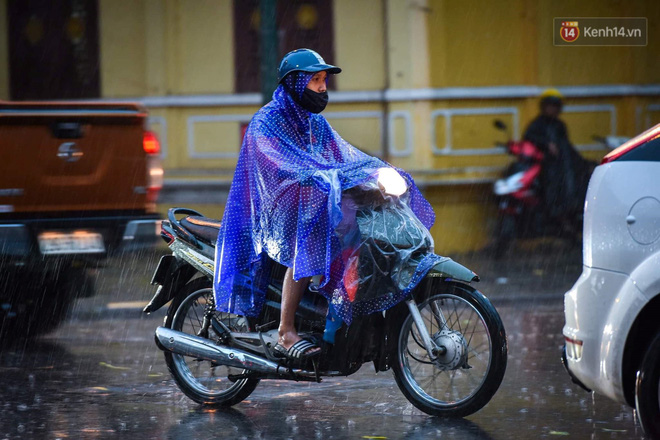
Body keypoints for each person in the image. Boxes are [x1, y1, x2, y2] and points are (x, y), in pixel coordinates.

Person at [213, 49, 435, 364]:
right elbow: (272, 162)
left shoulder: (315, 123)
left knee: (360, 230)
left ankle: (335, 309)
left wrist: (376, 172)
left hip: (316, 200)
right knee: (309, 240)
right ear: (294, 83)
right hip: (275, 208)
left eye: (323, 80)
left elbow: (344, 155)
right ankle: (286, 331)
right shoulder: (267, 121)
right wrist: (310, 176)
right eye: (315, 80)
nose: (322, 87)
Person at [523, 88, 589, 235]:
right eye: (549, 106)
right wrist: (546, 144)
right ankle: (557, 217)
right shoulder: (537, 124)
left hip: (563, 165)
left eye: (555, 106)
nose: (552, 109)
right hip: (546, 166)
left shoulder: (559, 125)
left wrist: (581, 162)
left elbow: (566, 146)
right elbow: (529, 138)